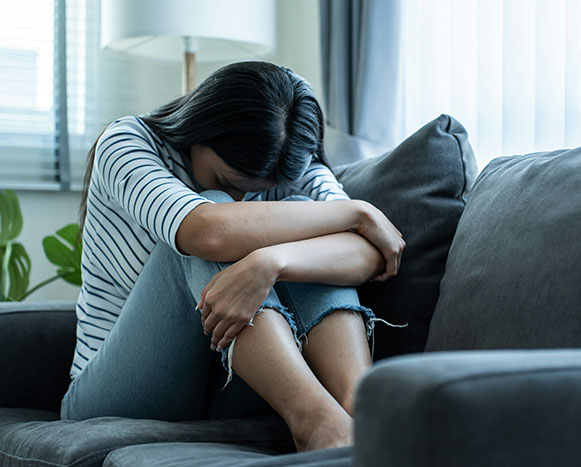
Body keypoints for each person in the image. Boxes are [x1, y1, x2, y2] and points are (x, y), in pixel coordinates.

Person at [59, 61, 406, 452]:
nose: (245, 196)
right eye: (229, 180)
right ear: (202, 128)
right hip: (119, 390)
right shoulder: (127, 142)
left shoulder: (288, 163)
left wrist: (270, 263)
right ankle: (317, 424)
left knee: (295, 217)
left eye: (256, 189)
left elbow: (368, 255)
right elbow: (208, 231)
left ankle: (358, 412)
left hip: (234, 383)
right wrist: (355, 213)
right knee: (212, 213)